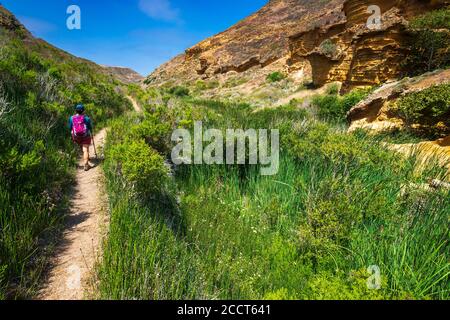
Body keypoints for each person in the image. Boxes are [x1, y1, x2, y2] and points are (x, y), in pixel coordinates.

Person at [69, 104, 94, 171]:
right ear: (83, 111)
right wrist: (91, 132)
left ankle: (85, 157)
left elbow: (70, 127)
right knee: (85, 149)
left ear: (76, 111)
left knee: (82, 147)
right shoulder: (86, 118)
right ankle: (86, 164)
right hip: (85, 136)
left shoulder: (71, 118)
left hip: (76, 136)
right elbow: (89, 128)